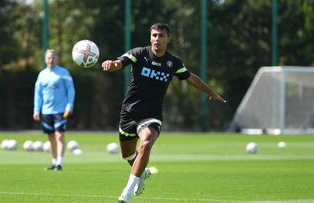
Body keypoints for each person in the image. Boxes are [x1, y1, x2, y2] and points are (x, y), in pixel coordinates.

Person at [102, 22, 226, 203]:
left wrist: (212, 93)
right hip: (129, 113)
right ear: (150, 37)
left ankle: (126, 194)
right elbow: (120, 63)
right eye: (154, 35)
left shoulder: (173, 63)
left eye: (161, 36)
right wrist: (111, 64)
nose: (157, 39)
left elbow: (190, 78)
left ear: (168, 39)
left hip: (151, 115)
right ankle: (142, 173)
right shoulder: (139, 53)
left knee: (146, 143)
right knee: (128, 155)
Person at [33, 49, 75, 171]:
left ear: (57, 59)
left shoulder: (63, 72)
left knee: (59, 136)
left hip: (60, 110)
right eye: (49, 58)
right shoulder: (41, 75)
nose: (51, 60)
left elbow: (71, 90)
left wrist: (69, 105)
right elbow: (38, 94)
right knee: (51, 137)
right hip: (46, 111)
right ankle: (53, 162)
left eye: (53, 58)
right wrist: (37, 109)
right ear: (46, 59)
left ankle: (59, 163)